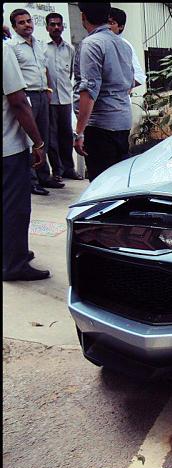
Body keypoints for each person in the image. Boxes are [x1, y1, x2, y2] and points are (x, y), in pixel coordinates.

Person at [3, 42, 51, 281]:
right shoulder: (4, 51)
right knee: (15, 208)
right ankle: (14, 264)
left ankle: (12, 253)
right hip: (7, 147)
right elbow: (18, 101)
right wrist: (38, 142)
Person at [73, 2, 135, 182]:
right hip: (122, 121)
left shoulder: (91, 44)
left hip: (100, 126)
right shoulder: (123, 44)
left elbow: (89, 91)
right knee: (117, 183)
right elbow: (130, 82)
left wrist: (79, 132)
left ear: (83, 16)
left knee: (101, 184)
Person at [8, 8, 64, 195]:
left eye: (29, 21)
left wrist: (48, 89)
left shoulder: (39, 44)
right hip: (27, 96)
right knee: (31, 138)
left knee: (44, 136)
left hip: (42, 95)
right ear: (14, 26)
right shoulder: (12, 46)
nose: (27, 25)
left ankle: (44, 176)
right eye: (22, 22)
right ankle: (31, 180)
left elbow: (44, 69)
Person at [45, 12, 82, 181]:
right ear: (47, 28)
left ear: (63, 27)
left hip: (65, 99)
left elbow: (71, 74)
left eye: (59, 24)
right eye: (52, 25)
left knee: (66, 135)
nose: (56, 27)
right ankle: (57, 170)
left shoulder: (70, 49)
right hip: (50, 100)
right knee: (52, 138)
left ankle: (69, 169)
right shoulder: (42, 48)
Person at [107, 7, 146, 88]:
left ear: (121, 27)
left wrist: (120, 90)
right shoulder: (99, 43)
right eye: (105, 23)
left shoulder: (124, 45)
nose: (108, 26)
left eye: (112, 23)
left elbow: (139, 77)